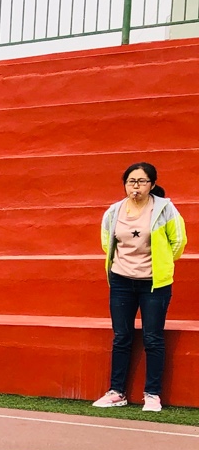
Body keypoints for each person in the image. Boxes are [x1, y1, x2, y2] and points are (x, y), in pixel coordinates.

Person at [92, 161, 187, 412]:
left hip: (154, 283)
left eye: (142, 181)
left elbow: (178, 242)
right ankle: (116, 392)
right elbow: (107, 242)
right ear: (125, 184)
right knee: (121, 337)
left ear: (152, 185)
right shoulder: (114, 211)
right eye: (131, 181)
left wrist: (161, 264)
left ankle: (152, 394)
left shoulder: (165, 209)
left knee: (152, 338)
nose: (136, 186)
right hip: (121, 281)